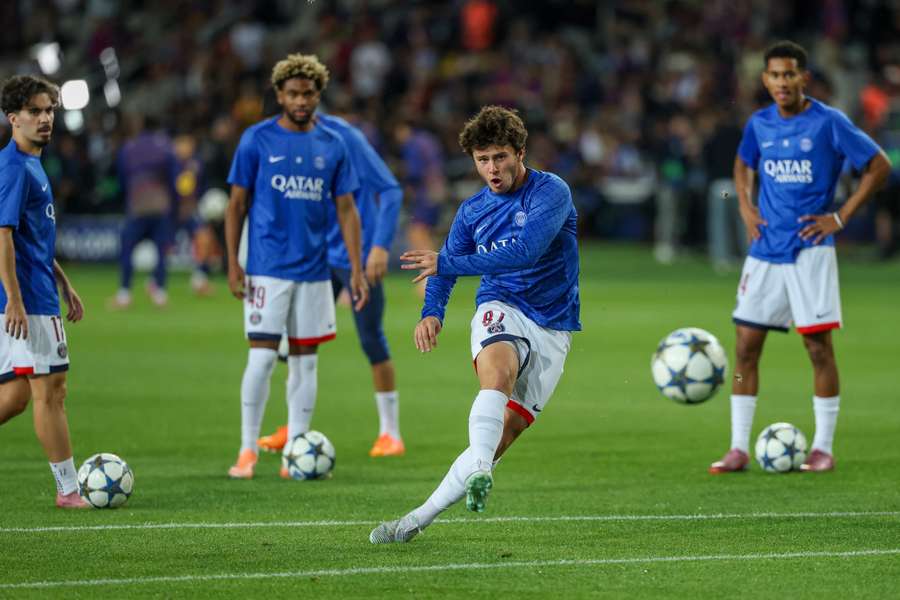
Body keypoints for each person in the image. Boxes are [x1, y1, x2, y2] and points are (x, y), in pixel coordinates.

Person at [370, 106, 580, 543]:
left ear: (520, 153)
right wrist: (433, 312)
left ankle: (414, 521)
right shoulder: (472, 212)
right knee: (497, 375)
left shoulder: (550, 193)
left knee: (502, 435)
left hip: (553, 323)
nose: (491, 169)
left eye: (500, 157)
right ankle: (483, 471)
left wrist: (447, 260)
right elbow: (443, 270)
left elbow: (525, 251)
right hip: (499, 305)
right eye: (482, 160)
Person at [709, 41, 891, 475]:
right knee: (745, 349)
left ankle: (823, 448)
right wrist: (746, 208)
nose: (782, 82)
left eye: (790, 74)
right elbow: (742, 163)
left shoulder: (829, 122)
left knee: (818, 349)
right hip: (766, 253)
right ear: (766, 79)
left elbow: (879, 165)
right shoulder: (759, 123)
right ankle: (737, 447)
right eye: (775, 75)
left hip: (811, 251)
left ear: (803, 78)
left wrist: (841, 217)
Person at [224, 53, 368, 479]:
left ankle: (296, 450)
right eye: (293, 93)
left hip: (314, 270)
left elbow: (347, 210)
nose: (301, 101)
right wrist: (233, 263)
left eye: (308, 94)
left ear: (318, 95)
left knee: (306, 362)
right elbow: (235, 205)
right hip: (266, 268)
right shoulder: (256, 140)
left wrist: (356, 268)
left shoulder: (333, 145)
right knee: (263, 359)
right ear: (279, 95)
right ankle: (247, 449)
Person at [256, 109, 406, 458]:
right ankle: (294, 426)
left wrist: (380, 246)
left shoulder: (345, 138)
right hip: (315, 257)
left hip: (357, 255)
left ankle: (391, 433)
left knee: (371, 338)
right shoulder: (281, 143)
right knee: (297, 342)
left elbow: (391, 191)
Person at [0, 75, 87, 508]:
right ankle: (68, 491)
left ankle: (67, 489)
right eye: (35, 111)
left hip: (37, 293)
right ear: (13, 118)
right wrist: (15, 298)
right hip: (28, 301)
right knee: (52, 391)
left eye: (49, 110)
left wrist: (65, 282)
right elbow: (3, 237)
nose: (45, 118)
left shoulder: (32, 163)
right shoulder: (15, 167)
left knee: (14, 397)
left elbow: (32, 240)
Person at [109, 114, 179, 309]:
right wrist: (173, 205)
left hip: (138, 206)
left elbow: (122, 178)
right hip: (160, 206)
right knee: (161, 251)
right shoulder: (166, 147)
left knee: (127, 248)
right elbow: (174, 178)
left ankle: (124, 294)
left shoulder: (129, 147)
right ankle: (160, 293)